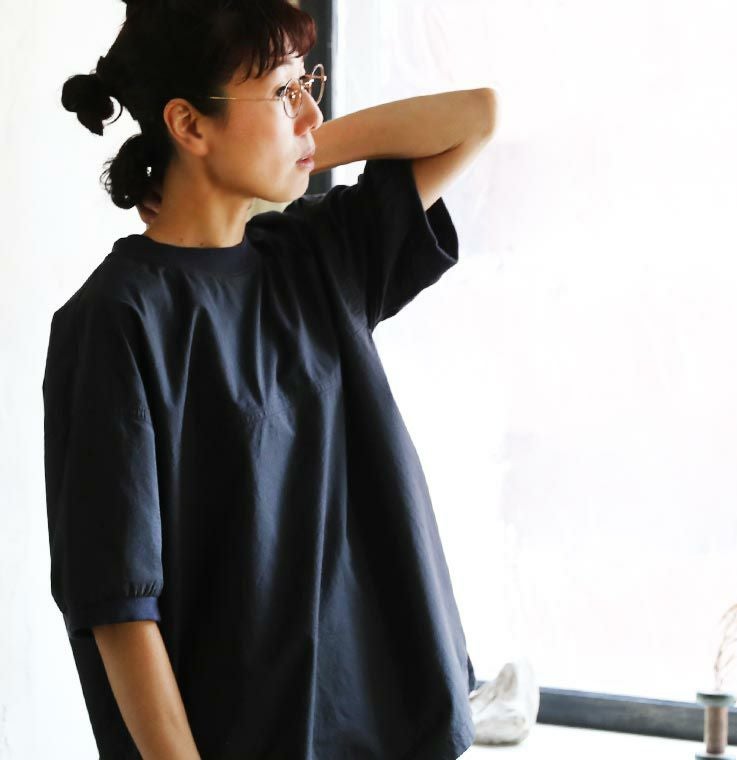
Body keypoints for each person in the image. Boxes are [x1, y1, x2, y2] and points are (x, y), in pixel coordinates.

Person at [43, 0, 489, 757]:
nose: (311, 110)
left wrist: (298, 145)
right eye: (284, 92)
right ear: (189, 125)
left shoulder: (315, 254)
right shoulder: (116, 319)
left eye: (305, 84)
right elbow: (120, 607)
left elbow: (475, 118)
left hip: (394, 730)